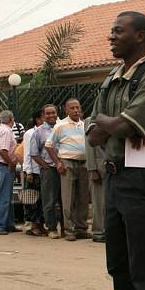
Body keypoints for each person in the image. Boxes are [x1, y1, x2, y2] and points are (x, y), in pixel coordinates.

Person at [87, 11, 145, 290]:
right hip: (114, 177)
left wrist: (106, 122)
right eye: (111, 31)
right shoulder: (112, 76)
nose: (111, 36)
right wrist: (110, 124)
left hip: (142, 178)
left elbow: (125, 126)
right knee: (119, 266)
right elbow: (93, 132)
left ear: (140, 36)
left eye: (118, 31)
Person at [46, 98, 90, 241]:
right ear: (66, 110)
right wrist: (57, 162)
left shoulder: (85, 125)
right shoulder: (60, 125)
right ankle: (69, 229)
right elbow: (49, 145)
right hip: (67, 163)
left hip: (84, 164)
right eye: (72, 108)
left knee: (83, 198)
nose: (76, 110)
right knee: (68, 198)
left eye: (78, 107)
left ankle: (81, 228)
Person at [31, 104, 61, 239]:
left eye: (53, 113)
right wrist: (45, 166)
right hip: (49, 170)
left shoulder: (63, 127)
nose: (51, 115)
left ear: (57, 113)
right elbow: (34, 153)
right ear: (43, 115)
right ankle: (52, 228)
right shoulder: (38, 132)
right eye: (47, 113)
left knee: (66, 200)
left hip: (65, 168)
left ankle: (67, 228)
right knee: (49, 200)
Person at [0, 110, 19, 235]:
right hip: (4, 167)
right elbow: (3, 150)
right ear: (11, 119)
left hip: (1, 166)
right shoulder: (6, 131)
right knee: (3, 197)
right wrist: (11, 163)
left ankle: (8, 223)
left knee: (7, 197)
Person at [22, 110, 46, 236]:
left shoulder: (48, 131)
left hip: (45, 170)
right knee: (33, 200)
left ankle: (41, 224)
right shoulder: (30, 133)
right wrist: (28, 172)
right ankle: (33, 225)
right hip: (34, 170)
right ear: (38, 119)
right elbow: (27, 153)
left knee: (43, 200)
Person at [85, 115, 106, 243]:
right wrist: (92, 168)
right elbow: (89, 146)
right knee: (99, 202)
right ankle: (98, 231)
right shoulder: (90, 120)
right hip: (98, 167)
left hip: (114, 166)